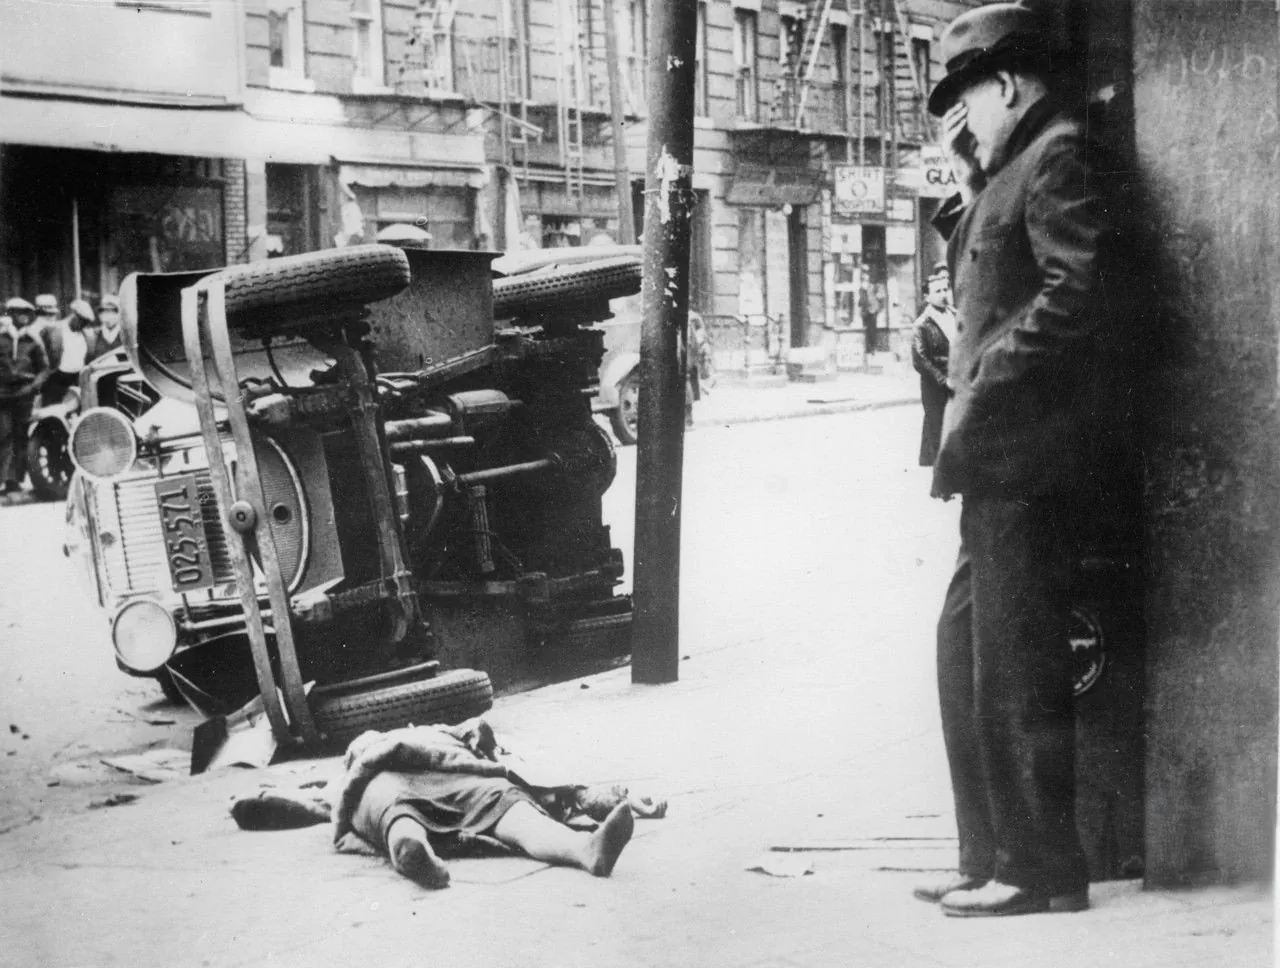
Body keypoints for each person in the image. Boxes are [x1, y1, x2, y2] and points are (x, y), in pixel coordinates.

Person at [913, 3, 1134, 918]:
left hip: (1030, 458)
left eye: (965, 100)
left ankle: (1042, 871)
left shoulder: (1057, 156)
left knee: (1014, 669)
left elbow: (1076, 292)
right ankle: (988, 855)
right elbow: (991, 275)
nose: (961, 122)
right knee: (965, 653)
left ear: (1004, 83)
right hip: (997, 462)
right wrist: (970, 176)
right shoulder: (1009, 169)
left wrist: (988, 377)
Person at [0, 298, 50, 493]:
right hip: (2, 394)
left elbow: (44, 369)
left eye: (27, 313)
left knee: (20, 435)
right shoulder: (1, 338)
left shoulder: (33, 341)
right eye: (19, 312)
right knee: (4, 433)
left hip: (24, 394)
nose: (23, 316)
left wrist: (33, 387)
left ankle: (14, 480)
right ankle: (4, 478)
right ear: (10, 314)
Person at [910, 264, 956, 466]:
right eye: (937, 291)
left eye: (945, 289)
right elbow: (920, 360)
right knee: (937, 428)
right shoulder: (922, 324)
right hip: (934, 386)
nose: (943, 294)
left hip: (957, 380)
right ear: (927, 297)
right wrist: (942, 379)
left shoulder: (955, 315)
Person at [90, 294, 123, 359]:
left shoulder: (126, 335)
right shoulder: (95, 334)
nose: (108, 314)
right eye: (104, 310)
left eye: (112, 311)